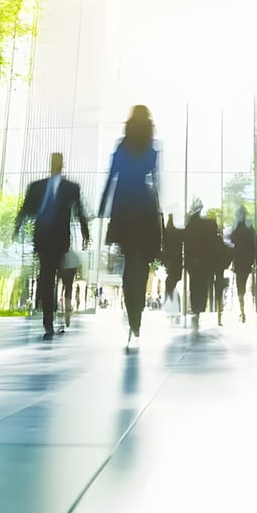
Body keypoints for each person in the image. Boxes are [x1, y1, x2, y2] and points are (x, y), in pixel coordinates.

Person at [98, 105, 162, 351]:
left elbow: (111, 177)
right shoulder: (151, 150)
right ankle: (138, 317)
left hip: (124, 206)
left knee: (128, 263)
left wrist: (103, 206)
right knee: (141, 264)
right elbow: (155, 182)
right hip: (144, 207)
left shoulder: (121, 147)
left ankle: (132, 312)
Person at [15, 152, 90, 341]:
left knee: (51, 277)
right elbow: (25, 209)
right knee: (47, 278)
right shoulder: (38, 187)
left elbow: (79, 211)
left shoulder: (71, 188)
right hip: (43, 239)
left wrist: (85, 232)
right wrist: (17, 227)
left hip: (60, 241)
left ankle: (50, 318)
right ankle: (48, 320)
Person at [183, 198, 220, 333]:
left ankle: (196, 309)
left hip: (193, 260)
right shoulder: (207, 225)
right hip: (204, 261)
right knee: (202, 285)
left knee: (195, 285)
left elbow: (186, 242)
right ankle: (199, 308)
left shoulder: (190, 225)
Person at [231, 205, 257, 322]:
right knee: (243, 285)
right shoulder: (249, 229)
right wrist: (255, 259)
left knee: (239, 286)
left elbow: (231, 244)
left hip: (238, 262)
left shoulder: (236, 230)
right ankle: (242, 311)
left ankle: (242, 311)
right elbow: (255, 245)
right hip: (247, 262)